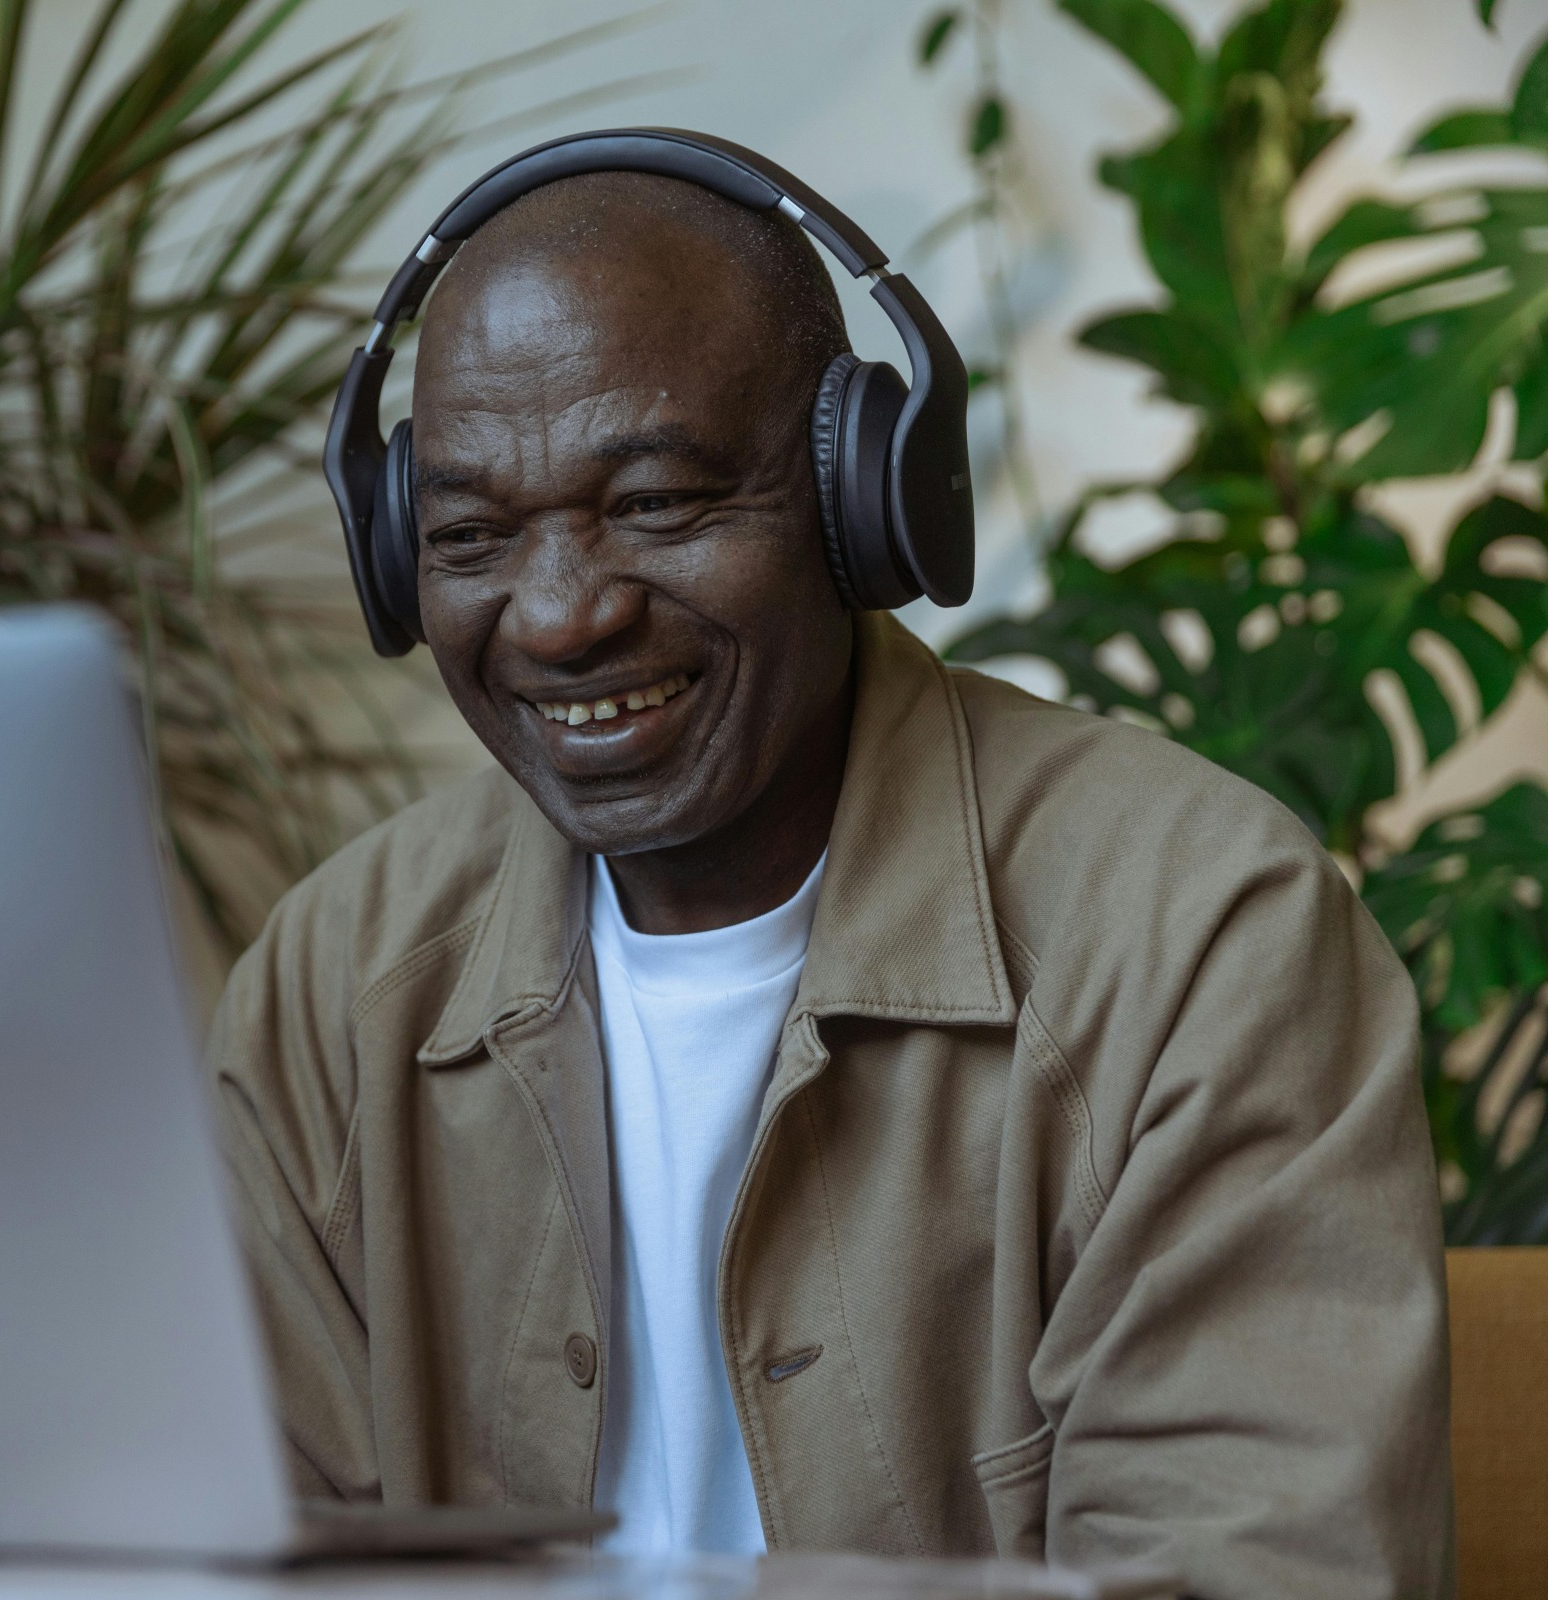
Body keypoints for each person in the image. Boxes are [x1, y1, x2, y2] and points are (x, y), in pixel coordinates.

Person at [206, 159, 1451, 1598]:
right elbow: (220, 1558)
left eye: (658, 503)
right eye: (472, 539)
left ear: (862, 501)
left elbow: (1260, 1573)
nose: (557, 616)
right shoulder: (330, 986)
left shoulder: (1204, 940)